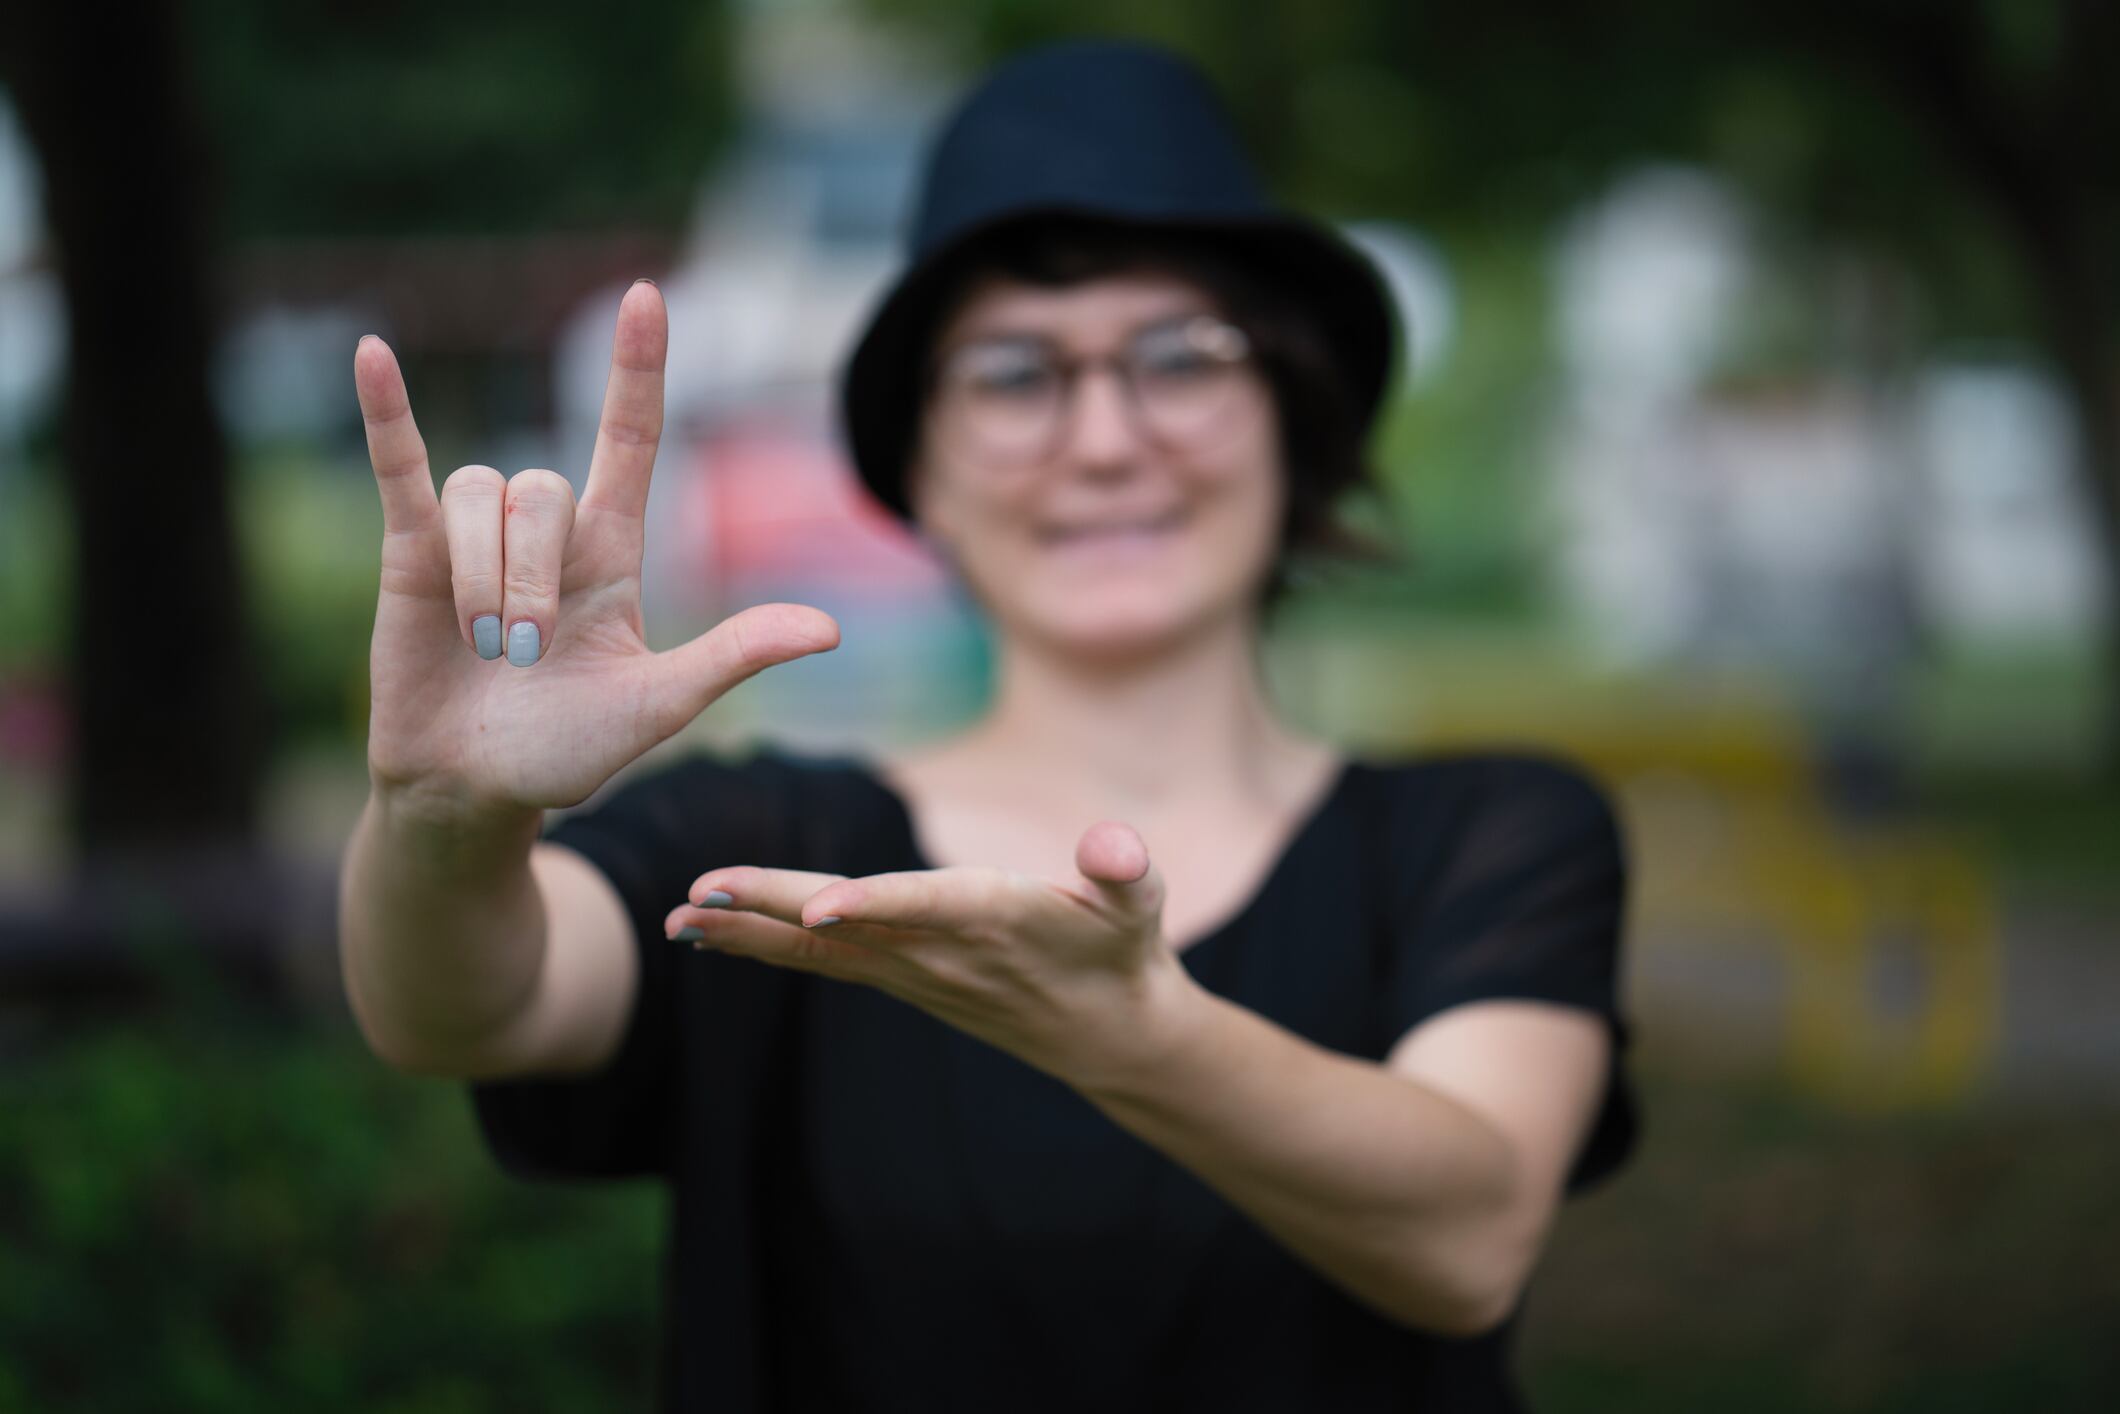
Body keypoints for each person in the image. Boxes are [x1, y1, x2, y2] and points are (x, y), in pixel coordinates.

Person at [339, 38, 1637, 1414]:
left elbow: (1471, 1232)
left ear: (1288, 415)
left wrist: (1136, 1037)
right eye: (1017, 373)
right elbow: (466, 1002)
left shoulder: (1487, 834)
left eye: (1182, 356)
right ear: (924, 468)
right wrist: (441, 815)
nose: (1103, 439)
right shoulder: (777, 858)